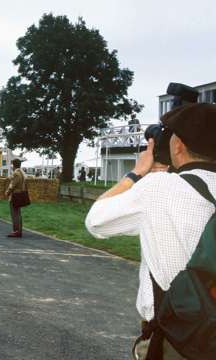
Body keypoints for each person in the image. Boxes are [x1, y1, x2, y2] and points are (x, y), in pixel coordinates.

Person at [85, 103, 216, 359]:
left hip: (179, 338)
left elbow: (96, 221)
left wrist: (137, 173)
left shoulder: (158, 188)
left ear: (177, 145)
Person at [5, 159, 27, 238]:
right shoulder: (21, 172)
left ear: (13, 165)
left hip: (15, 195)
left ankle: (16, 231)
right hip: (20, 194)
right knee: (18, 213)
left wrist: (7, 192)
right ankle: (19, 230)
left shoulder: (16, 173)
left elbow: (12, 185)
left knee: (14, 214)